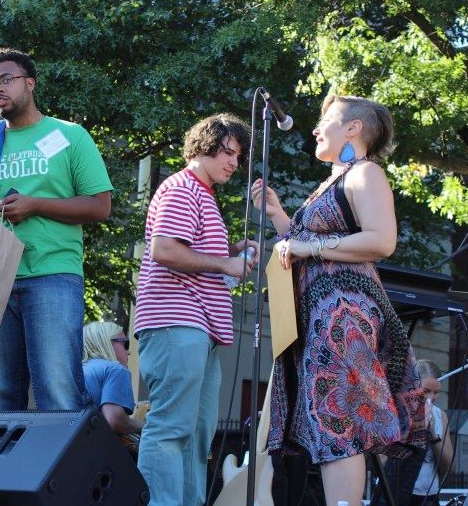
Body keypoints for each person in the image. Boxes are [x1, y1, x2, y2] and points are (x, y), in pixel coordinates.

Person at [251, 94, 425, 506]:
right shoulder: (336, 179)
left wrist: (306, 246)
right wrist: (279, 218)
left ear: (353, 128)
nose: (315, 127)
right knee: (329, 425)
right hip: (323, 316)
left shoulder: (365, 173)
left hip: (345, 316)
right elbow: (307, 245)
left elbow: (381, 240)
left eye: (325, 119)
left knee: (340, 424)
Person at [0, 48, 113, 411]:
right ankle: (7, 470)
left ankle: (60, 470)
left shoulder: (70, 136)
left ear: (30, 83)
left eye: (6, 80)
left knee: (58, 391)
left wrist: (35, 204)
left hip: (52, 275)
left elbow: (100, 206)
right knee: (0, 393)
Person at [134, 113, 259, 506]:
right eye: (227, 152)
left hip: (197, 328)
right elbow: (165, 249)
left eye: (238, 157)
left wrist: (229, 252)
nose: (233, 164)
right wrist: (225, 264)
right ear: (202, 147)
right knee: (172, 428)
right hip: (176, 323)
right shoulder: (183, 188)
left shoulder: (202, 194)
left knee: (196, 435)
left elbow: (190, 249)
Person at [82, 321, 144, 435]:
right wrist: (149, 426)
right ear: (106, 343)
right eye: (125, 344)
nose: (129, 351)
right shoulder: (116, 370)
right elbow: (115, 420)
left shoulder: (78, 370)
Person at [410, 359, 453, 505]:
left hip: (429, 497)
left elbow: (448, 466)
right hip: (396, 494)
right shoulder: (395, 412)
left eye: (436, 392)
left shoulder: (440, 416)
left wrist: (433, 434)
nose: (431, 398)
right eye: (426, 391)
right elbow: (382, 463)